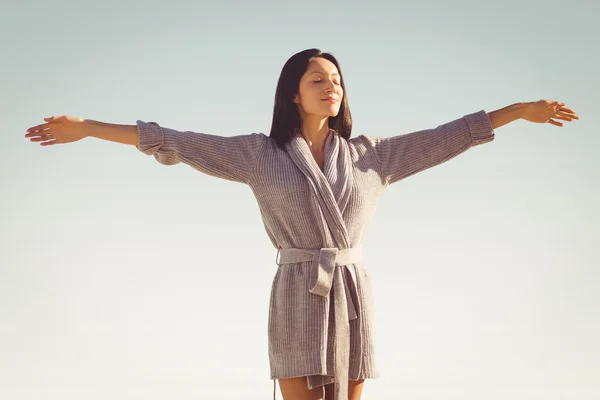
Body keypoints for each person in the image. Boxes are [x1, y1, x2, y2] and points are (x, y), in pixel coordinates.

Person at [25, 48, 579, 400]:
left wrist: (517, 110)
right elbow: (176, 140)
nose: (330, 85)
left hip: (352, 295)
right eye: (317, 78)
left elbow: (448, 135)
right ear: (294, 93)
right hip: (296, 292)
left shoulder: (372, 156)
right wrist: (89, 128)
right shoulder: (259, 154)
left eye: (336, 79)